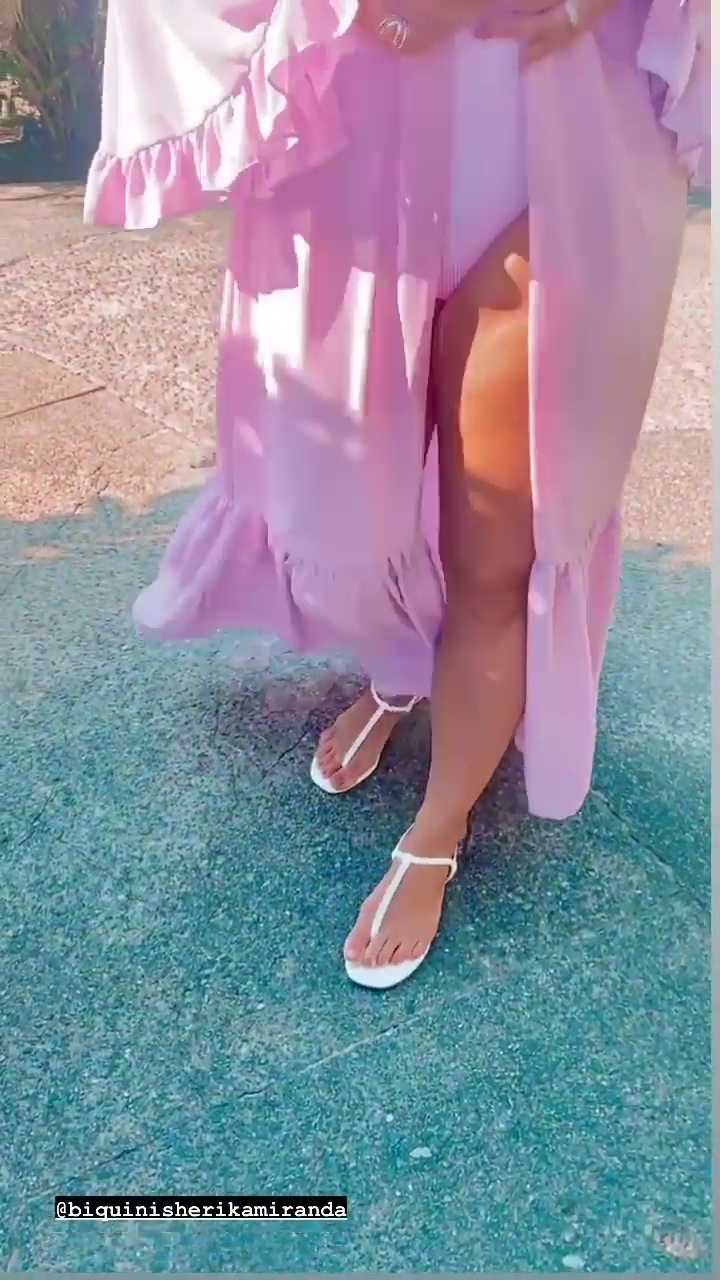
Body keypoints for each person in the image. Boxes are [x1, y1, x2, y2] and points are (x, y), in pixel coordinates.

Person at [86, 0, 708, 989]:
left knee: (497, 540)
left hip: (574, 145)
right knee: (353, 498)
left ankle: (439, 822)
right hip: (355, 146)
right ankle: (402, 669)